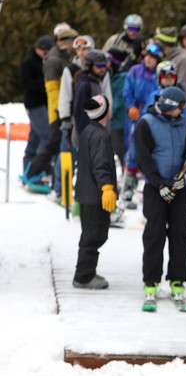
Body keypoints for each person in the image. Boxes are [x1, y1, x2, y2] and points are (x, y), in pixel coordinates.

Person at [134, 87, 186, 309]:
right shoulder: (146, 123)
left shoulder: (183, 124)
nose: (182, 111)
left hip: (180, 188)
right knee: (155, 234)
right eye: (179, 107)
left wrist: (185, 176)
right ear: (169, 105)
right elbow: (143, 157)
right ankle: (150, 282)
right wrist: (159, 183)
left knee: (180, 234)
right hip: (155, 188)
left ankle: (177, 281)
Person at [72, 95, 117, 289]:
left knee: (93, 234)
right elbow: (101, 164)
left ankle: (86, 272)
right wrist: (106, 187)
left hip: (87, 193)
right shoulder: (100, 135)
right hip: (95, 195)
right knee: (94, 235)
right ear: (105, 111)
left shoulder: (87, 130)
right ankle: (83, 276)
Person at [25, 27, 78, 189]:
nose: (73, 46)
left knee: (56, 145)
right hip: (57, 109)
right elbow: (52, 90)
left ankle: (54, 178)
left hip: (63, 108)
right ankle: (32, 173)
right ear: (64, 43)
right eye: (71, 42)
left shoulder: (65, 57)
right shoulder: (54, 60)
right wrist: (59, 113)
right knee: (51, 143)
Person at [122, 43, 163, 207]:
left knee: (151, 153)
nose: (149, 60)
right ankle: (127, 190)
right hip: (135, 116)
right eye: (147, 56)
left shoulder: (159, 75)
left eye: (153, 58)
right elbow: (127, 90)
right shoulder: (135, 71)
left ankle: (148, 189)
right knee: (132, 153)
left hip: (152, 118)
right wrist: (130, 106)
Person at [19, 35, 54, 182]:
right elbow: (27, 84)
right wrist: (45, 84)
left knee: (35, 137)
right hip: (35, 105)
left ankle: (28, 169)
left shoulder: (44, 61)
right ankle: (36, 170)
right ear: (39, 49)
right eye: (45, 51)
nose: (46, 54)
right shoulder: (29, 63)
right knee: (46, 136)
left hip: (43, 104)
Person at [107, 48, 130, 171]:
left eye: (109, 62)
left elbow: (118, 101)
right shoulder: (108, 77)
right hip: (109, 122)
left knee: (120, 150)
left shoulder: (122, 78)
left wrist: (106, 114)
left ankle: (128, 174)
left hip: (119, 123)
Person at [155, 27, 186, 98]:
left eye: (158, 44)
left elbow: (183, 90)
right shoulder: (166, 57)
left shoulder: (184, 60)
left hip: (175, 106)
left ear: (164, 45)